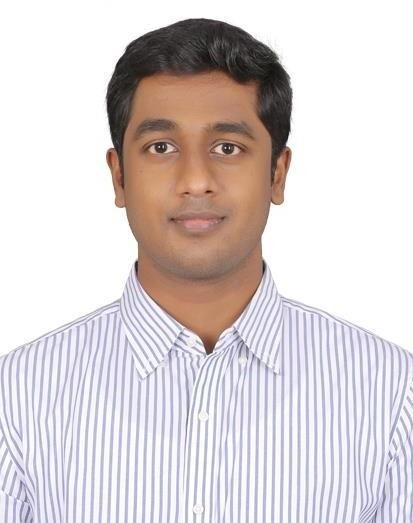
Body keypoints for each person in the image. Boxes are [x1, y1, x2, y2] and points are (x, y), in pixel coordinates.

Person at [0, 18, 412, 523]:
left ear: (277, 173)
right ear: (119, 176)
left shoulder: (390, 393)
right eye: (161, 147)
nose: (196, 180)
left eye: (227, 148)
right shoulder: (18, 397)